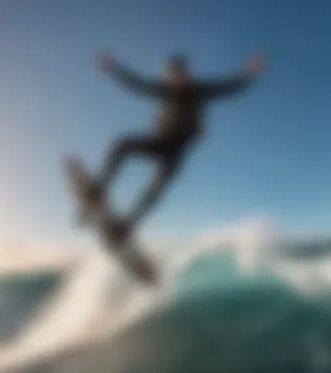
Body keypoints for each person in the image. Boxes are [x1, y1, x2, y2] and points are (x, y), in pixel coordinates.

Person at [85, 52, 266, 241]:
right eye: (171, 76)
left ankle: (127, 226)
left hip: (177, 151)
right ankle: (100, 189)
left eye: (180, 75)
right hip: (159, 142)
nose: (176, 80)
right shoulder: (164, 89)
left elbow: (229, 87)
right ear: (168, 76)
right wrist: (114, 68)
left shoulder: (199, 90)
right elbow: (137, 84)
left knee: (156, 189)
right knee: (122, 145)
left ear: (186, 75)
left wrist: (250, 74)